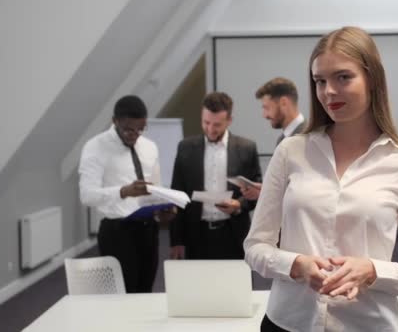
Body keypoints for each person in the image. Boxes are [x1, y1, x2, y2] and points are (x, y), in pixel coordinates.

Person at [244, 27, 398, 332]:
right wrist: (297, 265)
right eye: (320, 81)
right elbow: (256, 246)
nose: (329, 91)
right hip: (288, 322)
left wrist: (373, 270)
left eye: (343, 77)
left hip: (367, 324)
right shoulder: (291, 152)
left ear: (372, 79)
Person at [79, 95, 172, 293]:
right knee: (121, 296)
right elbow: (86, 195)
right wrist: (123, 191)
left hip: (148, 230)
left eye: (141, 128)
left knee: (145, 290)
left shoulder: (149, 146)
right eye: (129, 129)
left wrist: (164, 207)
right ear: (115, 121)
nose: (135, 134)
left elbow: (156, 187)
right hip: (117, 232)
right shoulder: (95, 147)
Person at [169, 91, 262, 260]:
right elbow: (177, 194)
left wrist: (239, 204)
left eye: (217, 124)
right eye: (206, 122)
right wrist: (176, 240)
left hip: (233, 234)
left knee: (235, 285)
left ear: (229, 121)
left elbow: (258, 191)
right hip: (195, 235)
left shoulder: (246, 148)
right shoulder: (185, 148)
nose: (210, 129)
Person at [241, 77, 306, 201]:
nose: (264, 115)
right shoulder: (283, 138)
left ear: (283, 103)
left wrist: (266, 194)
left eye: (266, 107)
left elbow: (304, 191)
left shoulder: (307, 137)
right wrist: (266, 190)